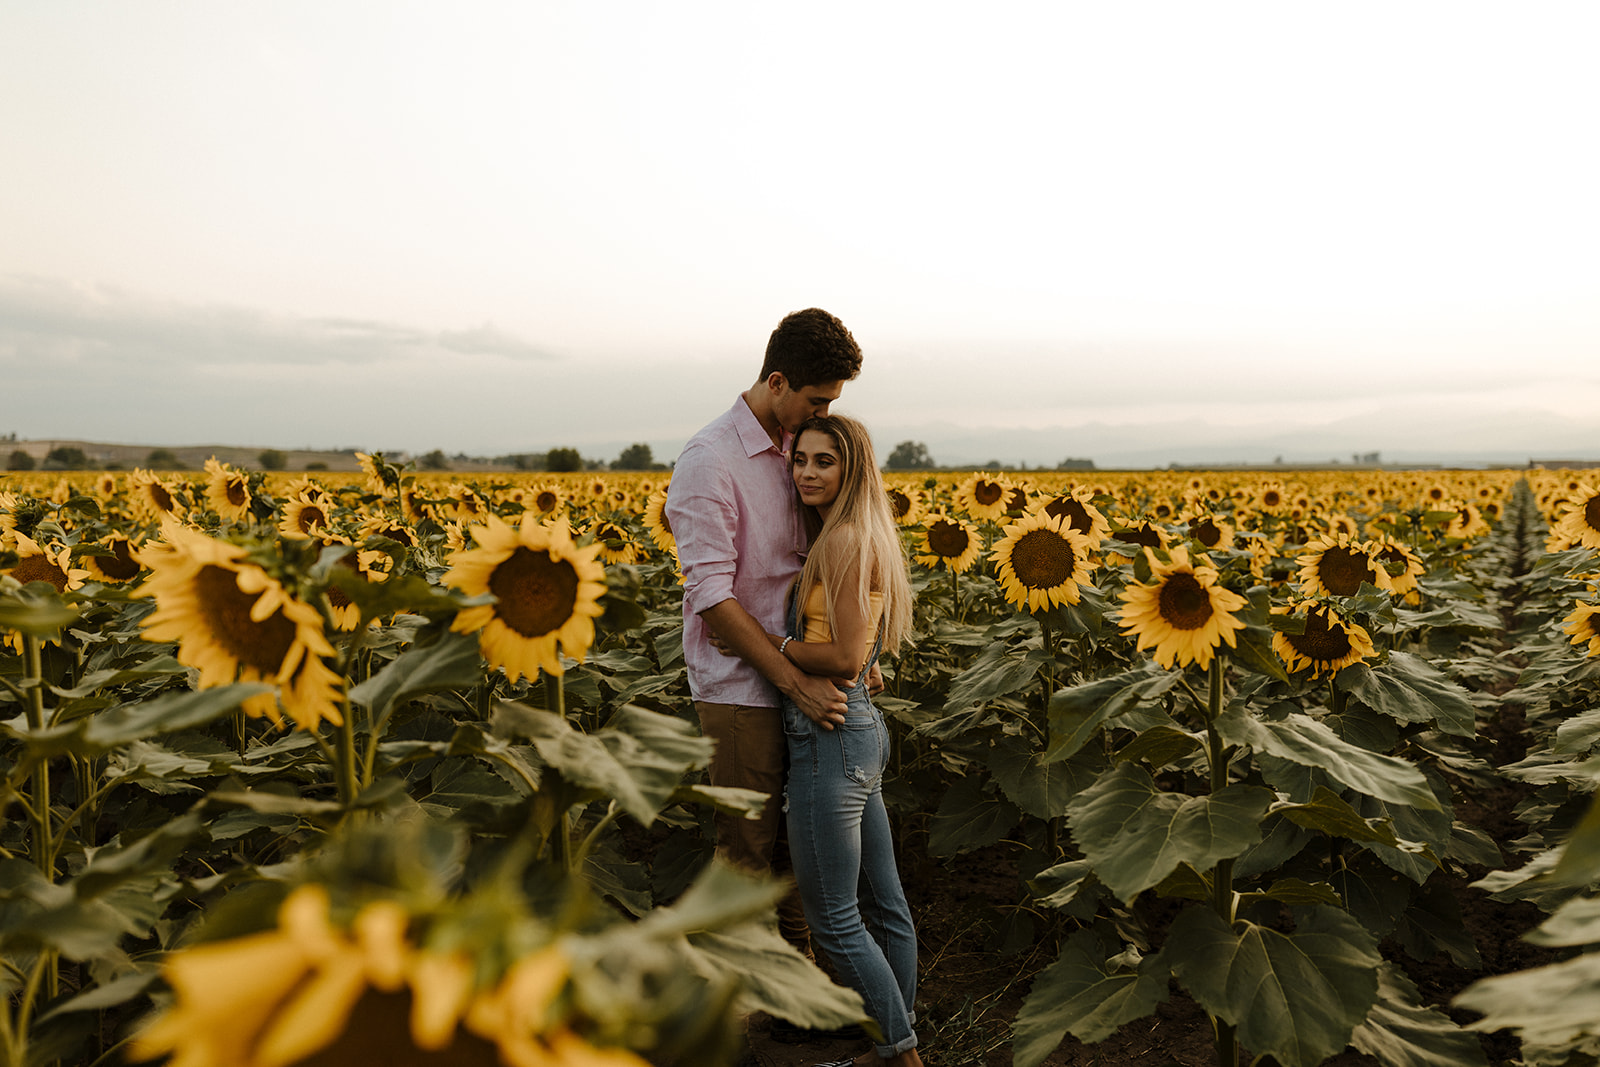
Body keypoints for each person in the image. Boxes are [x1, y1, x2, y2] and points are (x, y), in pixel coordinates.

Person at [665, 308, 864, 959]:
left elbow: (818, 557)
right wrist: (795, 680)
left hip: (800, 668)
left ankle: (797, 987)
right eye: (817, 398)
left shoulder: (794, 451)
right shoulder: (710, 460)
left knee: (800, 846)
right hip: (741, 689)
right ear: (777, 380)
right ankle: (745, 1014)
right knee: (748, 849)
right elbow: (712, 597)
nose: (822, 411)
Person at [768, 414, 923, 1067]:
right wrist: (857, 661)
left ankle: (900, 1052)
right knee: (884, 900)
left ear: (850, 468)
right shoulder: (863, 534)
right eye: (800, 458)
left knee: (832, 915)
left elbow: (847, 651)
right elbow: (864, 648)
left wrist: (771, 643)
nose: (806, 471)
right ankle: (895, 1037)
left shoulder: (841, 541)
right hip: (859, 730)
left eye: (823, 461)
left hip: (829, 734)